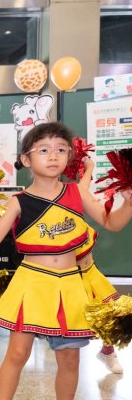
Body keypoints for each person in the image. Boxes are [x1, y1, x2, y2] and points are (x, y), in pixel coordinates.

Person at [0, 122, 132, 400]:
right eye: (44, 150)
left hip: (69, 286)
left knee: (70, 358)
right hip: (31, 282)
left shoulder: (77, 193)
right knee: (17, 353)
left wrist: (129, 203)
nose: (53, 156)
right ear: (26, 159)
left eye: (60, 150)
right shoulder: (19, 201)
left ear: (69, 157)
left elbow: (111, 223)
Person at [77, 158, 123, 374]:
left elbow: (82, 187)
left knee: (108, 314)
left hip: (91, 273)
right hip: (70, 278)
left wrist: (89, 168)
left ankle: (108, 352)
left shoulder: (76, 195)